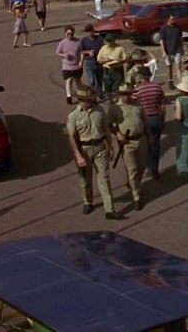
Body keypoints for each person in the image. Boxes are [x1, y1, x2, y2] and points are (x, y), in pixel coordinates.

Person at [66, 85, 121, 220]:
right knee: (85, 180)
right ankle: (88, 201)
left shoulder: (99, 111)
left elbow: (106, 130)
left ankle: (109, 209)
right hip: (83, 150)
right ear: (80, 100)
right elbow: (71, 137)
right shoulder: (73, 116)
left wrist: (111, 146)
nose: (90, 102)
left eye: (91, 99)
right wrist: (78, 156)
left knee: (104, 178)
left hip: (100, 147)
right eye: (87, 100)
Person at [108, 83, 149, 212]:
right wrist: (118, 134)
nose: (127, 96)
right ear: (120, 94)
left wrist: (150, 136)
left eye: (129, 93)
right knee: (132, 170)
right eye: (124, 94)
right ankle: (136, 197)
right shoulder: (115, 108)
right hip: (127, 143)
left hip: (141, 139)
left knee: (142, 166)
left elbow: (145, 121)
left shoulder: (138, 104)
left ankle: (132, 185)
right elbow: (109, 125)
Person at [133, 66, 165, 180]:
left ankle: (147, 168)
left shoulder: (137, 90)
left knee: (144, 146)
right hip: (156, 118)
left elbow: (134, 107)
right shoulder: (157, 88)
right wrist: (162, 119)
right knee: (156, 144)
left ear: (140, 77)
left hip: (143, 120)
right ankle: (154, 168)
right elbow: (162, 105)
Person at [55, 26, 83, 104]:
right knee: (69, 81)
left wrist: (81, 61)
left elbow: (81, 53)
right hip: (67, 66)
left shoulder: (78, 42)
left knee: (78, 81)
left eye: (71, 34)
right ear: (65, 34)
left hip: (76, 66)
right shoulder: (62, 43)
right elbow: (57, 52)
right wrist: (64, 55)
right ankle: (69, 96)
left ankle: (80, 95)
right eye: (68, 34)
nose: (70, 35)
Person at [97, 33, 127, 100]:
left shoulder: (120, 48)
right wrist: (106, 59)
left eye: (110, 41)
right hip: (107, 70)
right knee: (108, 87)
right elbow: (99, 60)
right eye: (107, 41)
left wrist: (119, 61)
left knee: (118, 86)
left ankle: (117, 100)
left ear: (114, 40)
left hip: (117, 70)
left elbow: (125, 58)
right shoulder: (103, 48)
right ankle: (110, 100)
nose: (109, 42)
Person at [159, 14, 184, 90]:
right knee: (169, 67)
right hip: (168, 51)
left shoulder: (177, 27)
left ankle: (181, 82)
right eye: (172, 19)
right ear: (168, 19)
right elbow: (162, 40)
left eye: (174, 19)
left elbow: (180, 38)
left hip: (177, 50)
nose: (173, 21)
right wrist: (163, 51)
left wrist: (182, 47)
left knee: (178, 66)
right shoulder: (164, 28)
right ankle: (170, 81)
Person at [80, 24, 105, 97]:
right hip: (89, 62)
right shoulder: (84, 40)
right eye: (88, 31)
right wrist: (88, 52)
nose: (90, 33)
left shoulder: (99, 39)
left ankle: (99, 92)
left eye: (91, 31)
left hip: (98, 62)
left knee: (99, 79)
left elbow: (103, 48)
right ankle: (93, 95)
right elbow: (81, 51)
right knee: (92, 80)